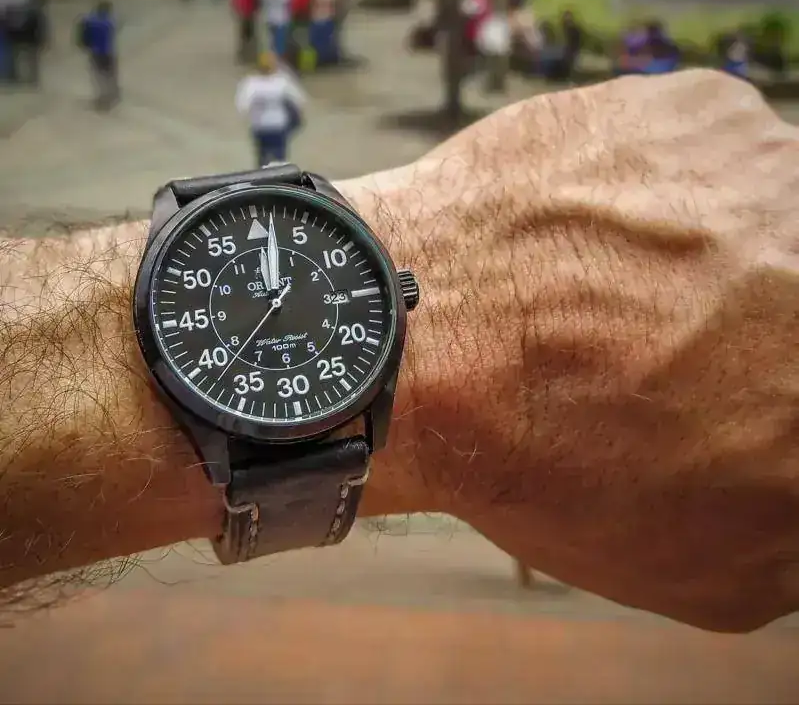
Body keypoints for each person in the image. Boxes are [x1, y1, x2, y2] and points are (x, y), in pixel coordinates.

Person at [2, 71, 799, 634]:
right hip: (238, 404)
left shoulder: (369, 323)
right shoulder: (191, 355)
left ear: (398, 290)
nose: (274, 306)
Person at [235, 51, 305, 166]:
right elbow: (299, 100)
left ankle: (263, 170)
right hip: (278, 125)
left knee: (262, 155)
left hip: (260, 127)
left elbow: (242, 106)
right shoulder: (281, 81)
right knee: (280, 157)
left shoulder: (251, 83)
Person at [77, 0, 119, 109]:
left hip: (94, 52)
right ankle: (111, 96)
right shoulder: (109, 22)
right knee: (109, 75)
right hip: (107, 51)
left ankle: (101, 97)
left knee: (98, 75)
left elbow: (84, 32)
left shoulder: (89, 21)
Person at [229, 0, 259, 64]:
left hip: (243, 13)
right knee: (249, 35)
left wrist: (235, 10)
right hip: (248, 13)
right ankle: (248, 56)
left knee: (243, 36)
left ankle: (243, 55)